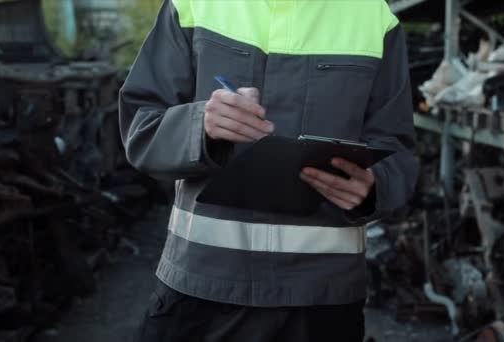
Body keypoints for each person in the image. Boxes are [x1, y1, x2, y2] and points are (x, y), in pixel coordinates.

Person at [119, 0, 418, 341]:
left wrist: (374, 187)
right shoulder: (193, 5)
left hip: (321, 301)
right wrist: (200, 124)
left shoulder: (372, 17)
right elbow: (140, 129)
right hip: (202, 291)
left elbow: (397, 150)